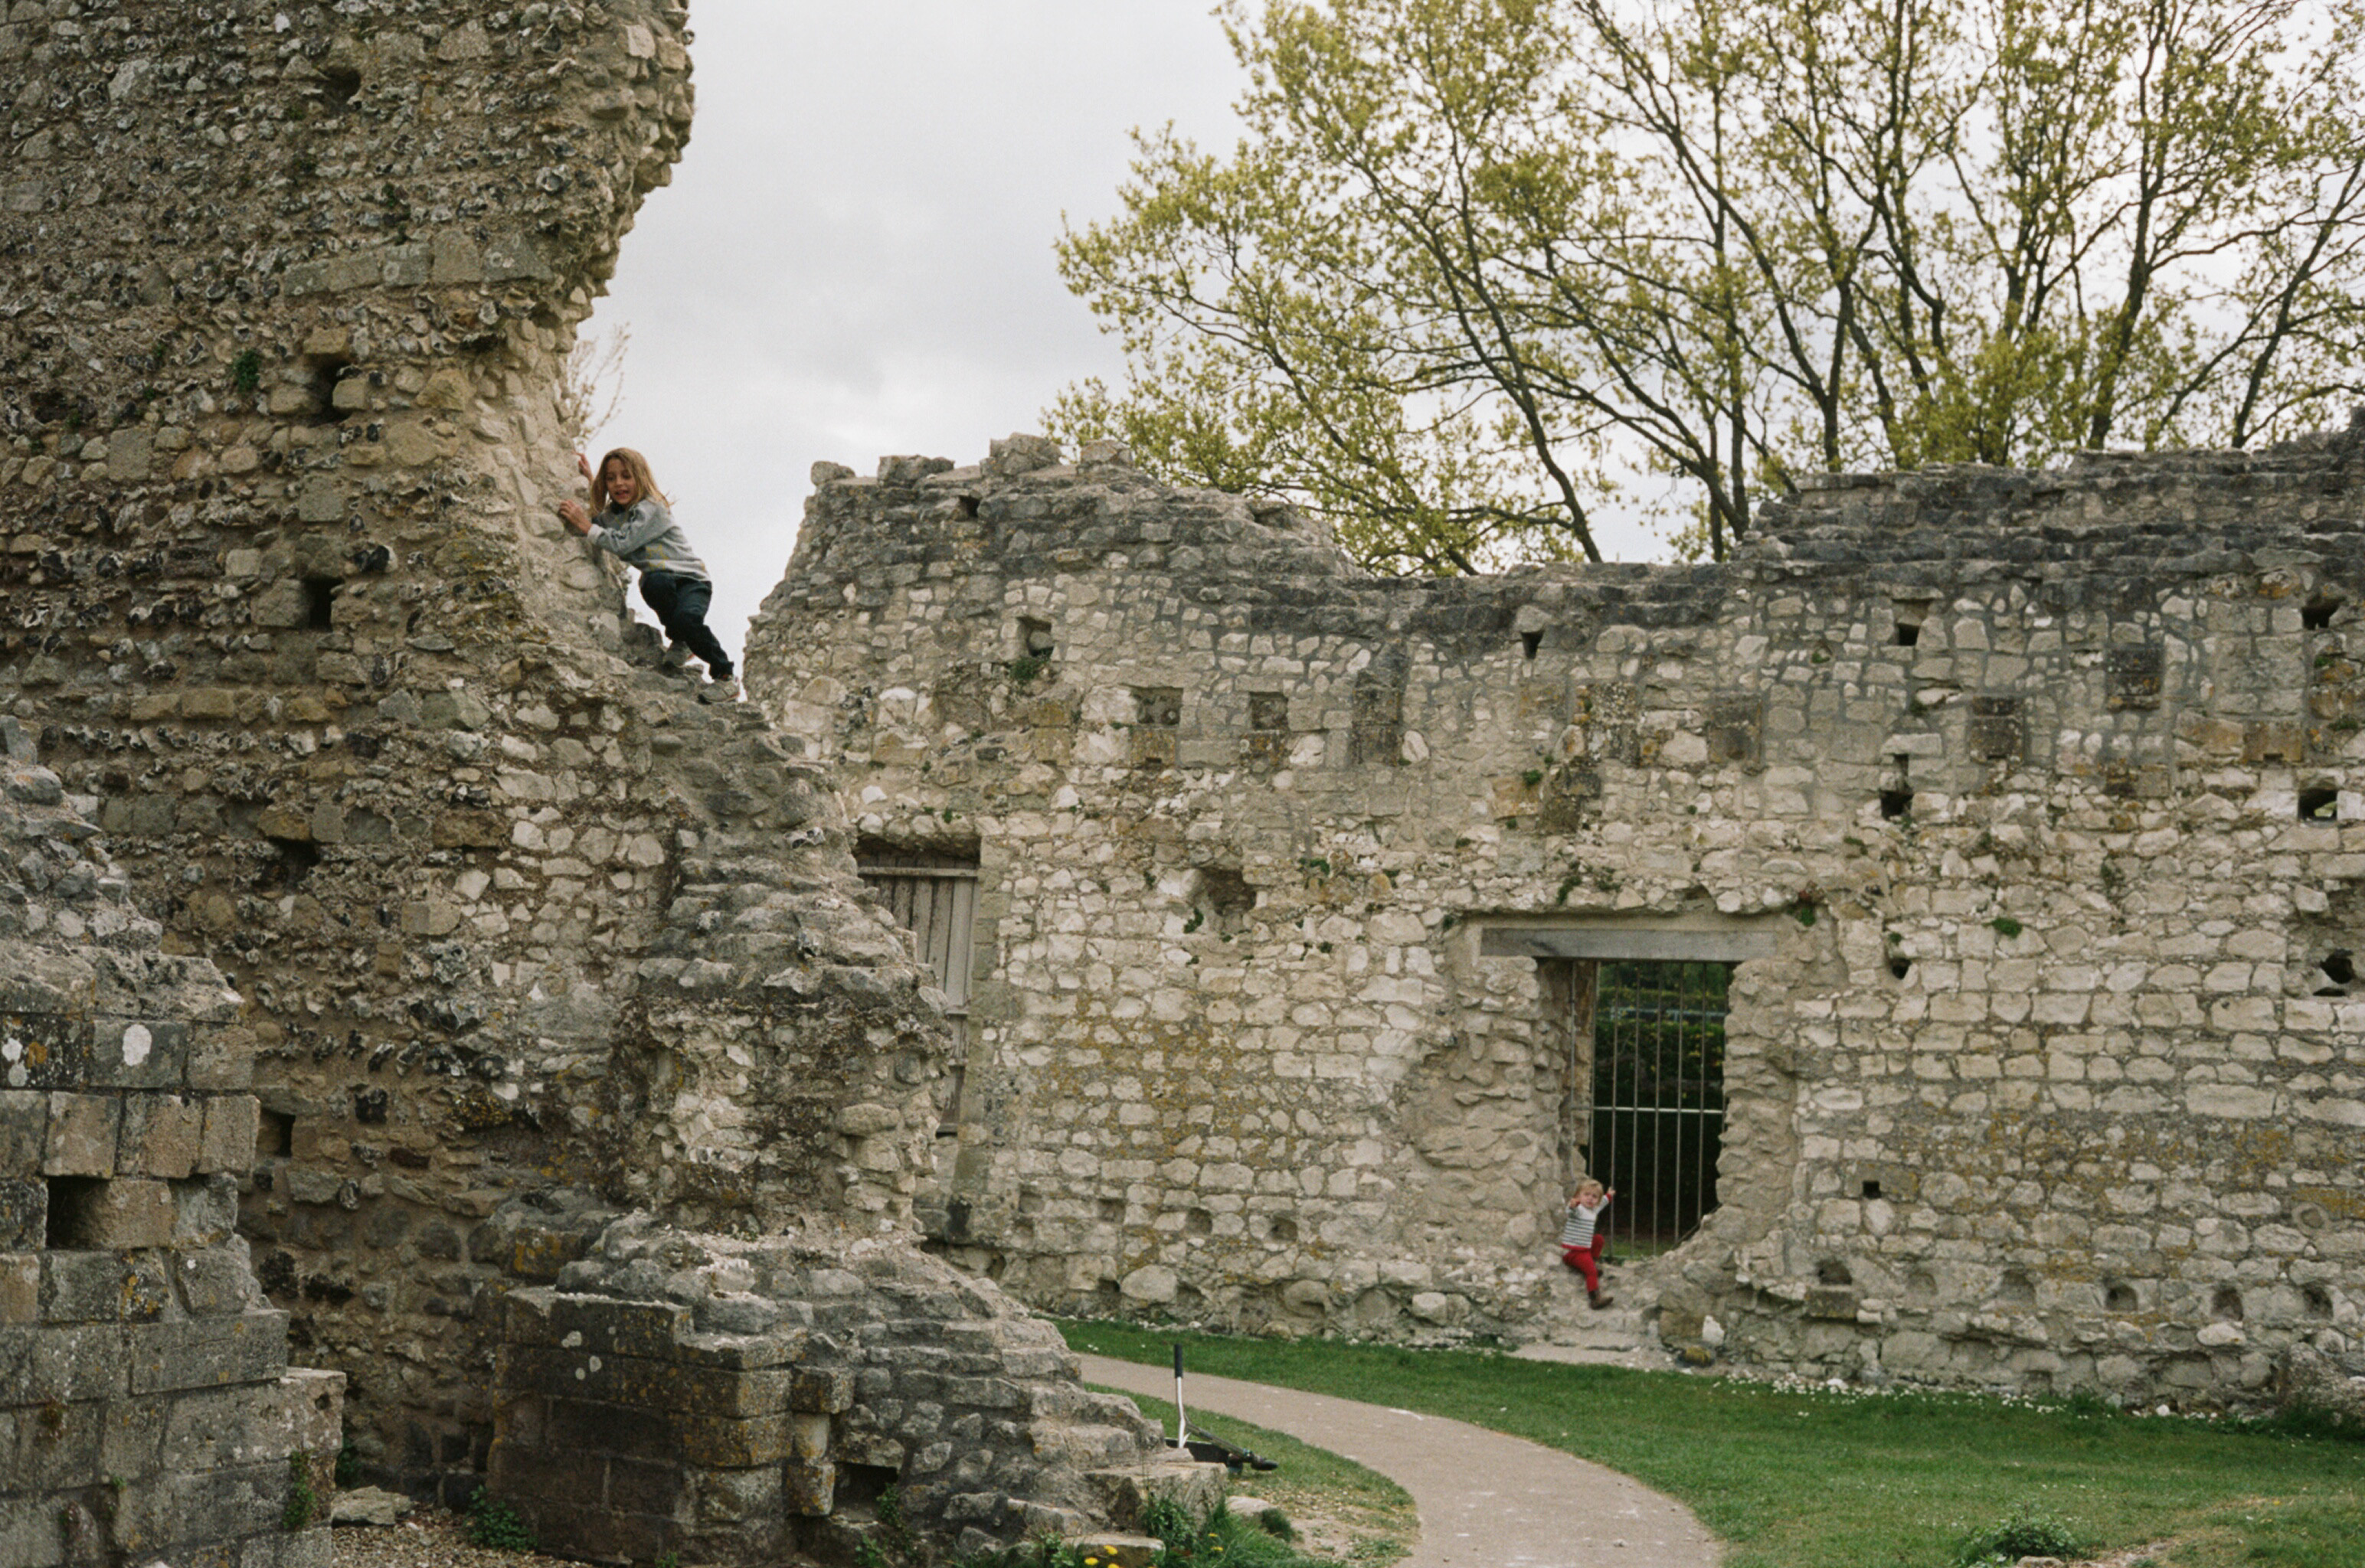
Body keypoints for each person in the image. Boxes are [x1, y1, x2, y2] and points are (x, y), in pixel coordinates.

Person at [558, 447, 737, 701]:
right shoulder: (614, 515)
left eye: (626, 476)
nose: (619, 484)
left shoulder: (652, 508)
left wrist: (585, 525)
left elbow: (621, 543)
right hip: (661, 578)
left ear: (641, 477)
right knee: (654, 583)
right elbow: (603, 522)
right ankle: (681, 640)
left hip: (691, 580)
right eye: (611, 478)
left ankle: (725, 675)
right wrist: (590, 480)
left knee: (688, 619)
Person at [1559, 1178, 1614, 1308]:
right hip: (1572, 1252)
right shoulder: (1579, 1209)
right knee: (1591, 1272)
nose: (1590, 1198)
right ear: (1578, 1196)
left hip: (1583, 1249)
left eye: (1594, 1196)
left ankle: (1591, 1263)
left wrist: (1609, 1195)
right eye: (1586, 1194)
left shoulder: (1594, 1209)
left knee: (1598, 1239)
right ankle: (1595, 1299)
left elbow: (1603, 1202)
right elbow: (1572, 1210)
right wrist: (1573, 1205)